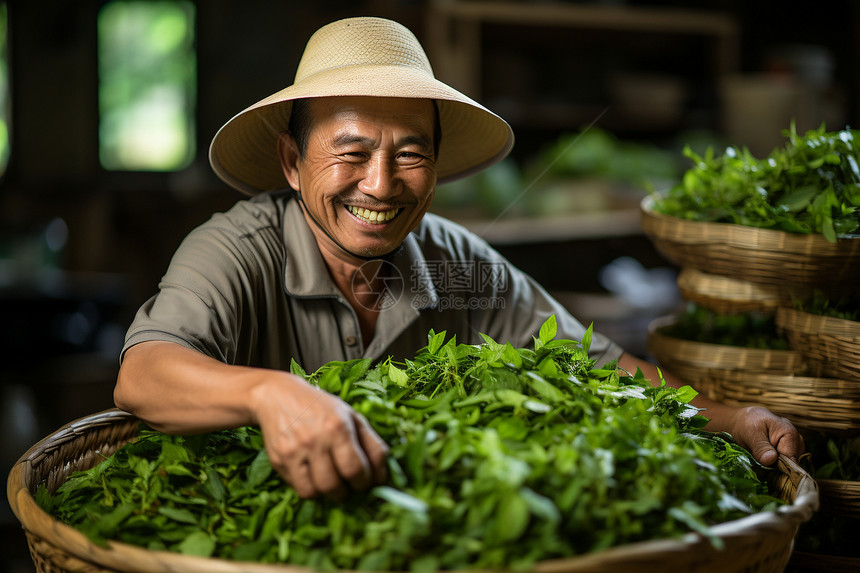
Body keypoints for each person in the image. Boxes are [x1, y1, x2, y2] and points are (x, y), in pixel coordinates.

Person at [114, 16, 802, 501]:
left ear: (436, 167)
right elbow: (143, 375)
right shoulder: (237, 251)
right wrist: (272, 393)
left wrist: (732, 417)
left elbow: (603, 370)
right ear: (293, 162)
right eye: (350, 152)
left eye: (410, 153)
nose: (380, 185)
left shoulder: (458, 266)